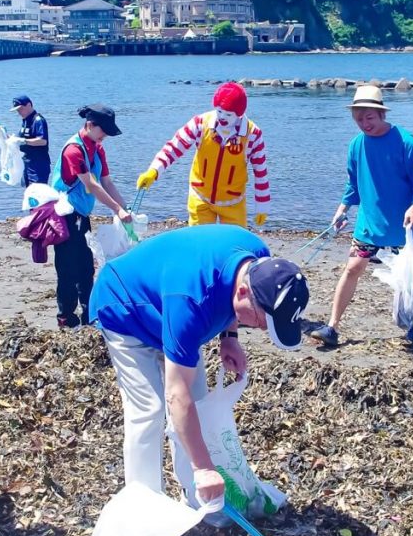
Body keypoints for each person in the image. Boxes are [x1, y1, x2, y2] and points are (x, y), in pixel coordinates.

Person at [89, 225, 308, 506]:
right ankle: (143, 509)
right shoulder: (191, 302)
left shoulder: (257, 259)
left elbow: (231, 294)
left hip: (170, 305)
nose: (263, 330)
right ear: (243, 292)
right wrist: (204, 468)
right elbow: (176, 395)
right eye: (261, 321)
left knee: (199, 406)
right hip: (124, 308)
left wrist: (230, 337)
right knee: (149, 411)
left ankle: (196, 499)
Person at [310, 85, 413, 347]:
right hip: (368, 222)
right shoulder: (356, 145)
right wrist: (343, 209)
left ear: (381, 114)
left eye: (369, 118)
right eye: (359, 119)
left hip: (402, 224)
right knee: (353, 268)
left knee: (405, 276)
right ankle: (332, 326)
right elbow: (353, 183)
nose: (364, 124)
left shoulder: (406, 142)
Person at [136, 82, 270, 228]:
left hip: (233, 201)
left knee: (233, 245)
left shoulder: (253, 134)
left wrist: (262, 205)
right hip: (200, 197)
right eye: (219, 111)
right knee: (198, 243)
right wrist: (154, 171)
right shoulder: (200, 123)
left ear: (240, 114)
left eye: (228, 114)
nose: (222, 117)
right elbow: (174, 148)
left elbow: (260, 171)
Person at [49, 104, 131, 328]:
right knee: (67, 268)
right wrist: (117, 209)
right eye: (103, 130)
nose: (105, 135)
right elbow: (92, 185)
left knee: (86, 266)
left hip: (81, 215)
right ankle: (66, 317)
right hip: (63, 216)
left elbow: (106, 182)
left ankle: (89, 315)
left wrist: (126, 208)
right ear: (90, 124)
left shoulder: (97, 148)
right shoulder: (73, 150)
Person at [9, 94, 51, 186]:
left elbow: (42, 141)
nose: (19, 112)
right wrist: (10, 139)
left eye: (20, 109)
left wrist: (23, 140)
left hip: (38, 164)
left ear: (29, 105)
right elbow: (21, 138)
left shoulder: (38, 120)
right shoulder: (25, 121)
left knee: (38, 194)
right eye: (17, 110)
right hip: (26, 163)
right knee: (28, 193)